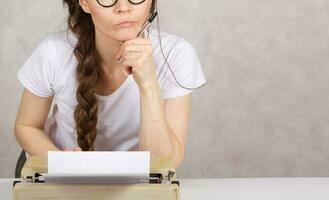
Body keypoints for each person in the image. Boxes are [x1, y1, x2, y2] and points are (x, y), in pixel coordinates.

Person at [14, 0, 206, 168]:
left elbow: (164, 163)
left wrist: (148, 85)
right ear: (85, 3)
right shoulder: (53, 51)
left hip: (132, 181)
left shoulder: (177, 54)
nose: (123, 7)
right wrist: (61, 162)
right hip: (52, 168)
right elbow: (26, 125)